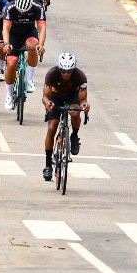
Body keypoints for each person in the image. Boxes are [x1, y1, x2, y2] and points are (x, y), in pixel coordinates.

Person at [42, 52, 88, 180]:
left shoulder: (80, 76)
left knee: (75, 112)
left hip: (72, 96)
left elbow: (83, 99)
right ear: (59, 69)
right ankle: (47, 165)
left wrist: (84, 105)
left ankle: (74, 135)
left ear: (73, 70)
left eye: (69, 71)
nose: (66, 74)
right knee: (52, 127)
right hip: (56, 97)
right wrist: (48, 103)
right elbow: (45, 96)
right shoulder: (52, 74)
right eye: (63, 71)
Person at [1, 0, 41, 110]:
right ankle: (9, 95)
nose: (22, 13)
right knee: (12, 62)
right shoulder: (10, 7)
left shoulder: (37, 7)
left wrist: (41, 44)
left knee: (32, 46)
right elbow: (6, 28)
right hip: (13, 35)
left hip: (29, 33)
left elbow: (42, 27)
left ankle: (29, 79)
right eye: (20, 11)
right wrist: (6, 44)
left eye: (25, 11)